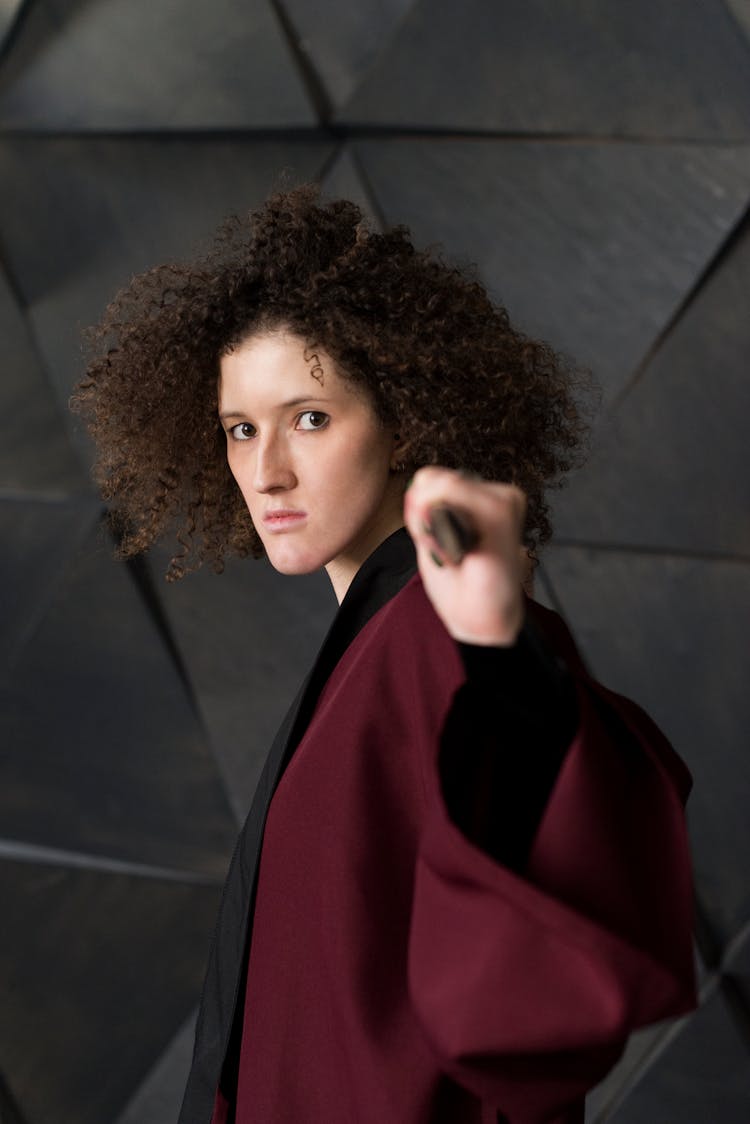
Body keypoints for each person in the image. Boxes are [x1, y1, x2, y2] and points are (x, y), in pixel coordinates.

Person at [73, 186, 696, 1124]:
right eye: (241, 429)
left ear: (407, 417)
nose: (266, 469)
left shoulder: (431, 635)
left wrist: (499, 646)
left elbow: (559, 812)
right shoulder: (365, 651)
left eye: (310, 418)